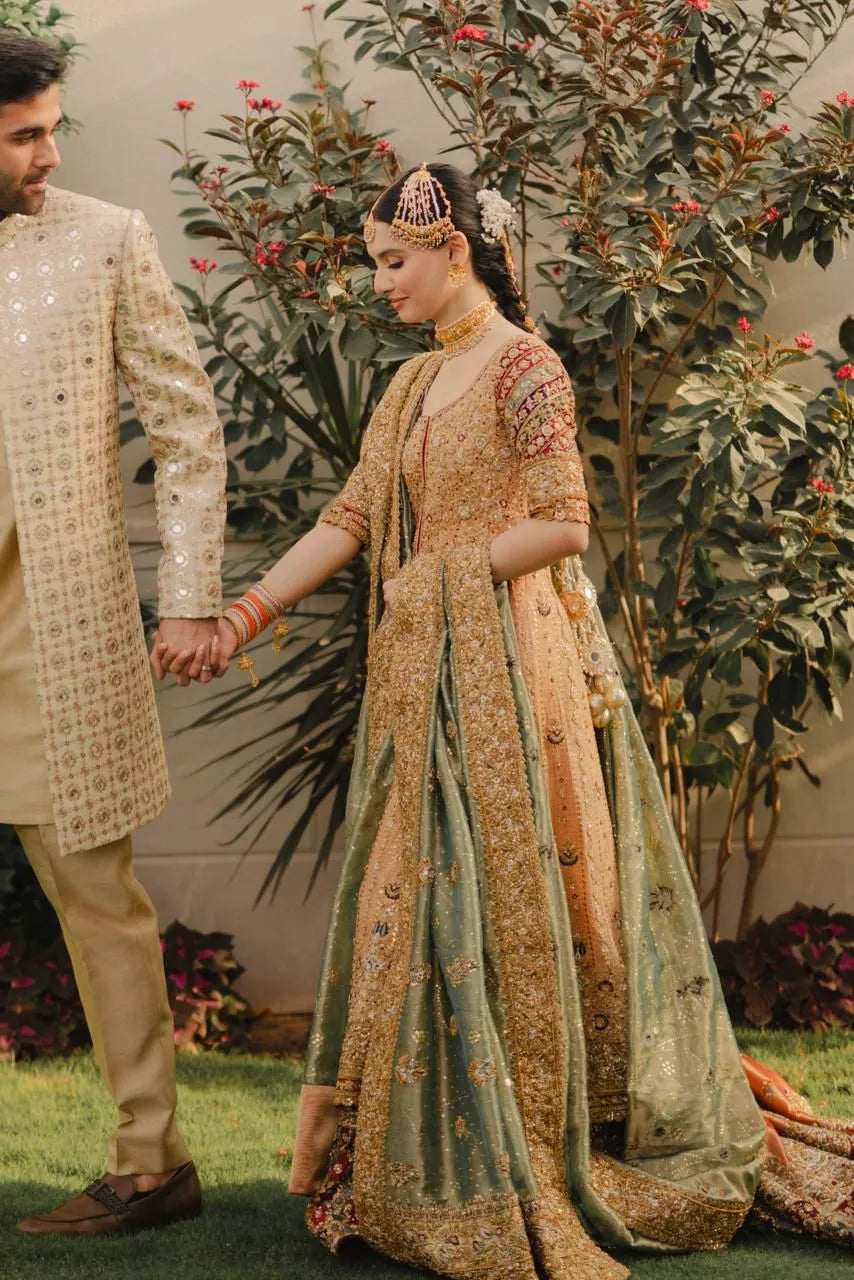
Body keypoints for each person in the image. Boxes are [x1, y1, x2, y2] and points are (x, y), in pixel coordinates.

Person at [213, 164, 852, 1276]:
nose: (381, 283)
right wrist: (244, 612)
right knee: (414, 887)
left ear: (452, 247)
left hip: (512, 667)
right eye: (375, 262)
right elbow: (350, 516)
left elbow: (562, 522)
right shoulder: (411, 383)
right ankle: (420, 1147)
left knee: (516, 891)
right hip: (422, 671)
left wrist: (438, 573)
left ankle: (538, 1136)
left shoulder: (524, 366)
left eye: (393, 260)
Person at [0, 30, 227, 1234]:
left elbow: (184, 427)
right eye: (22, 135)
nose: (48, 154)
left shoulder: (102, 241)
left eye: (51, 130)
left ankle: (151, 1160)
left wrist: (188, 592)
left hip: (50, 626)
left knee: (95, 892)